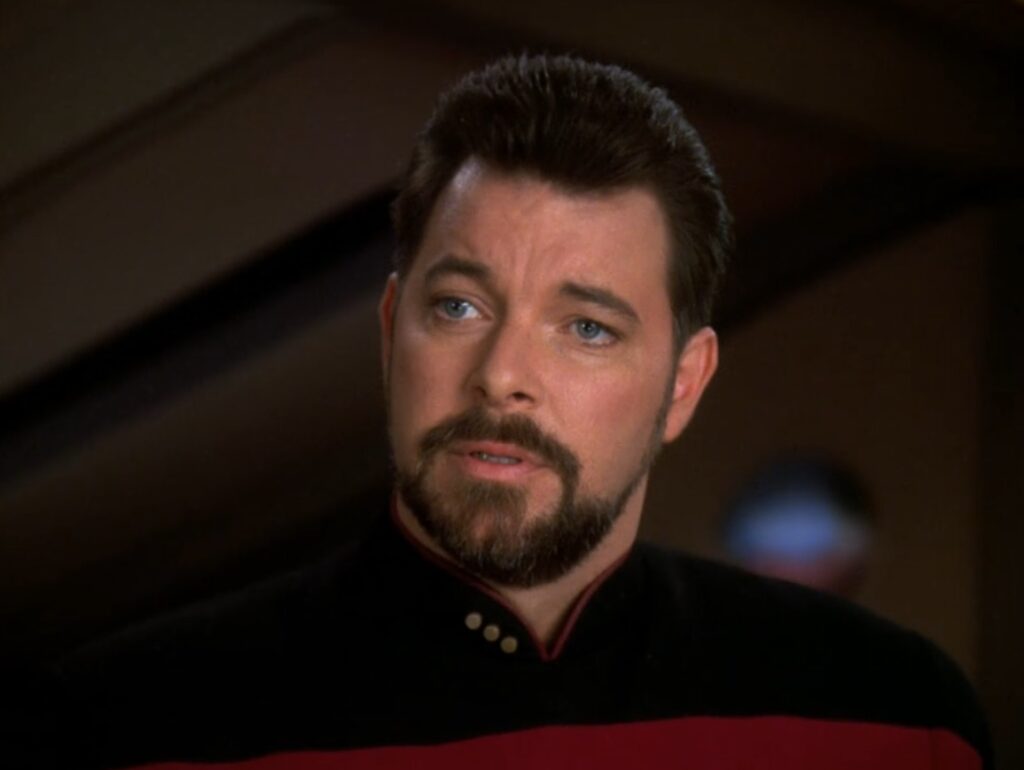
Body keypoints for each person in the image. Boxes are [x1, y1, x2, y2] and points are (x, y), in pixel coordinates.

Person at [9, 54, 991, 769]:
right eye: (459, 308)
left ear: (683, 385)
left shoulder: (897, 718)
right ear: (391, 331)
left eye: (587, 327)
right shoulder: (119, 727)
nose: (501, 375)